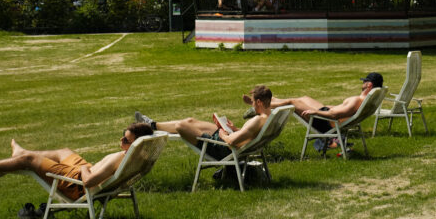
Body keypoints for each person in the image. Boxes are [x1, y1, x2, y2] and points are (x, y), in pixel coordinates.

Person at [0, 123, 153, 199]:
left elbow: (88, 182)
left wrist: (85, 170)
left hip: (78, 183)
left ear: (136, 143)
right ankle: (20, 154)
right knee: (64, 152)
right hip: (86, 171)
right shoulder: (135, 156)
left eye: (125, 140)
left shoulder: (121, 158)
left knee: (30, 160)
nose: (121, 141)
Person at [134, 84, 273, 158]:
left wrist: (225, 134)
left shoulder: (257, 120)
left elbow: (232, 142)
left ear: (259, 102)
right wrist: (235, 129)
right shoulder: (267, 117)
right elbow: (247, 135)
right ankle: (152, 124)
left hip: (224, 149)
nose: (252, 105)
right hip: (230, 142)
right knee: (190, 120)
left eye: (253, 102)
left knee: (181, 126)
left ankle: (149, 127)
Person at [243, 72, 384, 141]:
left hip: (327, 122)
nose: (363, 83)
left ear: (369, 85)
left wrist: (314, 111)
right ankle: (266, 101)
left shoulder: (356, 101)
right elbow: (339, 111)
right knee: (303, 98)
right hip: (327, 115)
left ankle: (259, 105)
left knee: (292, 102)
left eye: (364, 81)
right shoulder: (363, 100)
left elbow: (335, 115)